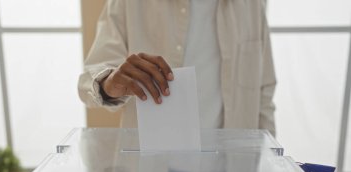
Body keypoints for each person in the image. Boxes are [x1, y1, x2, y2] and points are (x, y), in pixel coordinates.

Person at [78, 0, 276, 135]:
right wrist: (111, 83)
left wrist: (272, 163)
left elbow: (264, 92)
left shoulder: (251, 5)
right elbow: (88, 82)